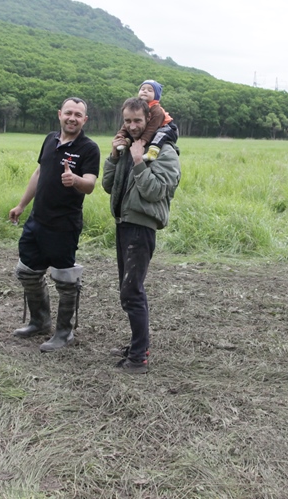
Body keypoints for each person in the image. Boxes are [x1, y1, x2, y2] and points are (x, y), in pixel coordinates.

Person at [8, 97, 100, 352]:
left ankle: (64, 332)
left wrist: (75, 180)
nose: (72, 118)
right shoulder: (50, 139)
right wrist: (21, 205)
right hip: (37, 220)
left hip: (64, 225)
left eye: (78, 115)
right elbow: (39, 173)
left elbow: (90, 184)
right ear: (60, 114)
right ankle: (39, 321)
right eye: (68, 113)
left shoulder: (89, 148)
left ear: (84, 120)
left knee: (65, 279)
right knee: (28, 271)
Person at [103, 96, 181, 373]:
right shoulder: (127, 148)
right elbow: (108, 185)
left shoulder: (165, 151)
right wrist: (114, 157)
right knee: (128, 290)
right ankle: (138, 347)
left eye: (138, 120)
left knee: (132, 290)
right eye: (127, 121)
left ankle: (138, 358)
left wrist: (138, 162)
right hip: (123, 224)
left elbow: (156, 191)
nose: (132, 126)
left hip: (141, 228)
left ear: (149, 119)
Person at [116, 80, 178, 161]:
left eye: (150, 90)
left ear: (156, 96)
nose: (145, 91)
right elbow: (126, 125)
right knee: (134, 129)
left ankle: (153, 151)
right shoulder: (139, 107)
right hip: (155, 128)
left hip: (167, 128)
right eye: (142, 89)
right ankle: (126, 141)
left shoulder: (157, 110)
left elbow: (151, 128)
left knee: (159, 135)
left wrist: (142, 142)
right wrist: (120, 136)